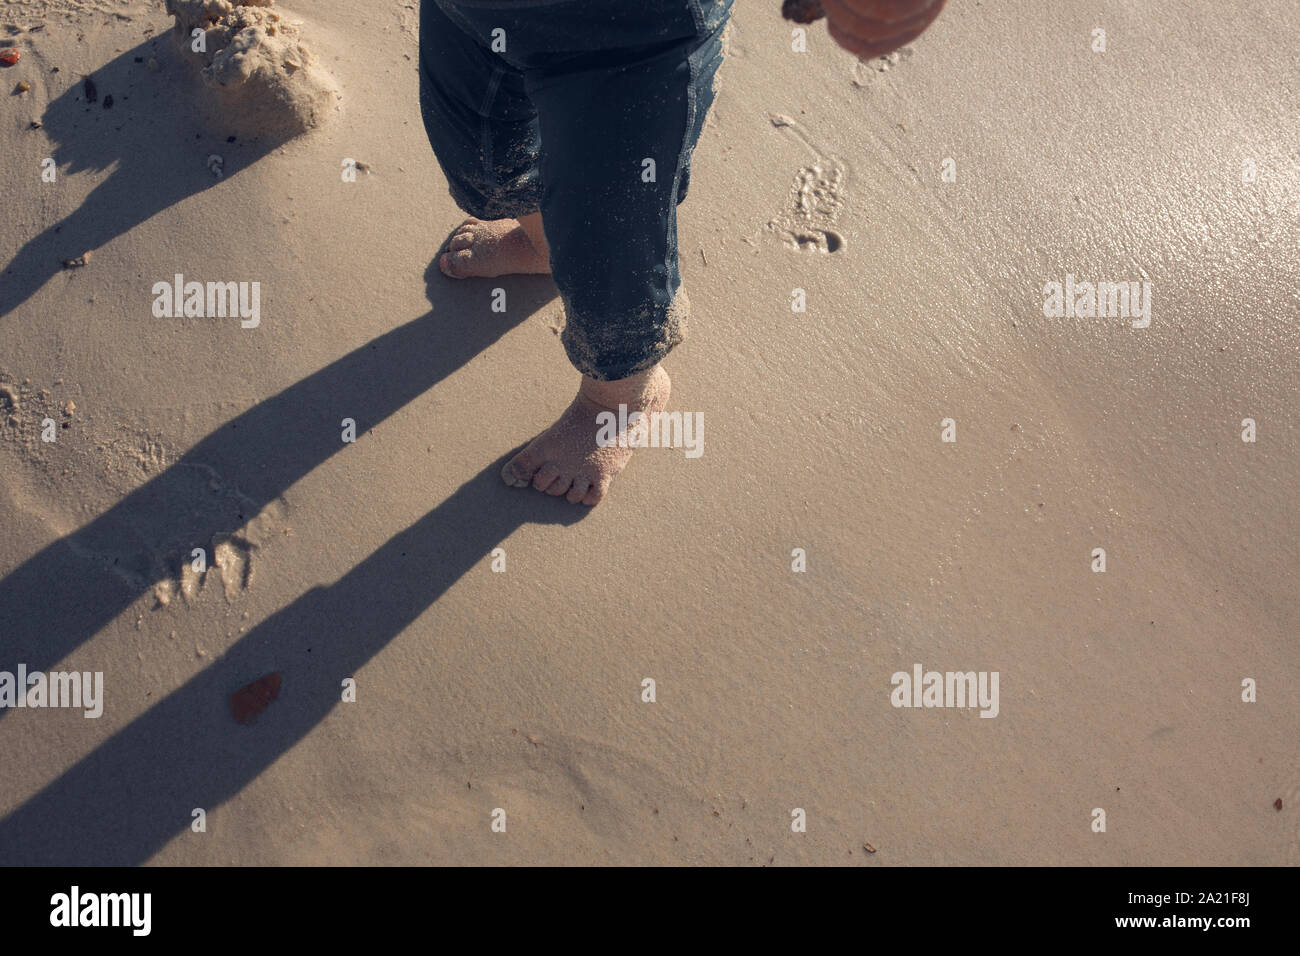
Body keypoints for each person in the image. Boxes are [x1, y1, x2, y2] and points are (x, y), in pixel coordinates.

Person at [418, 0, 946, 505]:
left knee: (611, 229)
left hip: (634, 28)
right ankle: (544, 243)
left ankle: (621, 398)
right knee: (485, 160)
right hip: (470, 11)